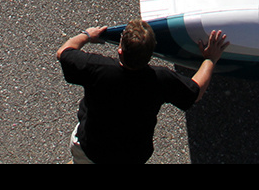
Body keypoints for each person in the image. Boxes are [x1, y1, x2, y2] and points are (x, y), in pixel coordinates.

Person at [56, 20, 228, 164]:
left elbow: (63, 52)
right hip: (130, 157)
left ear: (120, 49)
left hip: (89, 148)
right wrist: (210, 59)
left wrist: (86, 36)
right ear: (150, 53)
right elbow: (195, 91)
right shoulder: (160, 79)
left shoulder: (96, 68)